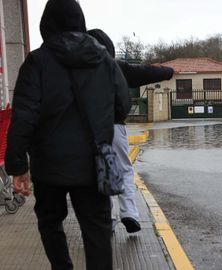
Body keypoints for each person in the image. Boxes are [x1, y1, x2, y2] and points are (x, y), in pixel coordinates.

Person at [5, 0, 130, 269]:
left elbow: (23, 116)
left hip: (48, 165)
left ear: (46, 25)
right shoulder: (104, 60)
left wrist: (17, 166)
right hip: (93, 163)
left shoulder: (37, 62)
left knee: (49, 221)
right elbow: (123, 106)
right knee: (96, 229)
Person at [87, 29, 174, 233]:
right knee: (124, 168)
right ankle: (129, 213)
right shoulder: (118, 67)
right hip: (115, 127)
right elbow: (146, 71)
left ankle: (106, 219)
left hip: (88, 129)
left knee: (98, 172)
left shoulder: (80, 71)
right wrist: (168, 71)